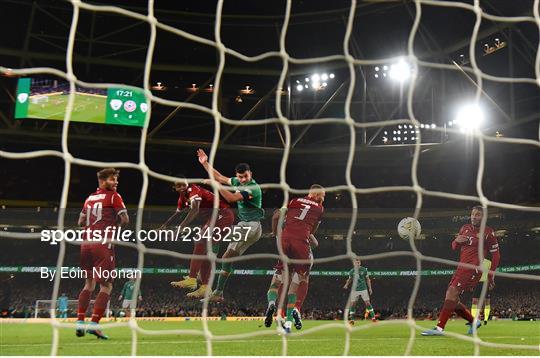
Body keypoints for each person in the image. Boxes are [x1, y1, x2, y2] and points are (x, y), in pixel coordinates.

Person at [197, 149, 264, 301]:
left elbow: (232, 198)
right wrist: (205, 163)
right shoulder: (236, 181)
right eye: (240, 177)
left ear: (250, 174)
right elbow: (219, 176)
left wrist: (215, 185)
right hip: (245, 226)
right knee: (227, 258)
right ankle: (218, 293)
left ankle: (206, 269)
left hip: (251, 227)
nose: (242, 180)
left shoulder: (252, 187)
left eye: (245, 176)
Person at [422, 206, 500, 336]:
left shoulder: (488, 233)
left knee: (451, 294)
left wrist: (491, 276)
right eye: (473, 214)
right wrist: (456, 241)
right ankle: (474, 322)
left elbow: (496, 256)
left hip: (473, 269)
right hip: (461, 267)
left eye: (478, 214)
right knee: (454, 300)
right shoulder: (464, 228)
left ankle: (440, 328)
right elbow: (454, 246)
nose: (474, 216)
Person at [76, 168, 129, 339]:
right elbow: (125, 219)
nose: (116, 183)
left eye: (116, 180)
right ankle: (94, 324)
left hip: (85, 244)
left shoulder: (89, 198)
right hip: (102, 244)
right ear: (103, 180)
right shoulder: (114, 196)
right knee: (106, 285)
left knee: (88, 284)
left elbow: (80, 221)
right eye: (113, 180)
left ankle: (79, 322)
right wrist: (112, 229)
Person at [264, 185, 325, 332]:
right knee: (300, 280)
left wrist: (275, 234)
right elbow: (314, 238)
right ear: (316, 195)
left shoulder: (293, 201)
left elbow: (275, 216)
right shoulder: (319, 208)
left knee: (278, 279)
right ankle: (293, 315)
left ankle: (274, 305)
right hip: (301, 244)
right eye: (323, 196)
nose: (323, 198)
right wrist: (307, 232)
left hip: (284, 240)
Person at [169, 178, 235, 299]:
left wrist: (180, 228)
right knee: (204, 251)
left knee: (200, 239)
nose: (182, 187)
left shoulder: (194, 190)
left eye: (183, 184)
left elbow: (195, 209)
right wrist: (164, 226)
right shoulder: (183, 198)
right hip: (214, 218)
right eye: (178, 186)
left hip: (223, 214)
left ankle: (192, 278)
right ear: (175, 189)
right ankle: (205, 287)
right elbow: (177, 213)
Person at [343, 258, 376, 324]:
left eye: (358, 262)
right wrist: (346, 284)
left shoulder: (364, 270)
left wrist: (370, 288)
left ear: (360, 263)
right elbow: (349, 279)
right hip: (354, 289)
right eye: (356, 263)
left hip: (363, 288)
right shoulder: (351, 271)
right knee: (352, 304)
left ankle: (373, 318)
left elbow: (368, 279)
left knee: (367, 303)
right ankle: (352, 320)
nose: (357, 264)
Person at [471, 258, 493, 325]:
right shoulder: (475, 262)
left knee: (487, 302)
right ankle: (474, 319)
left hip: (486, 283)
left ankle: (486, 319)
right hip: (477, 282)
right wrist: (471, 283)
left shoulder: (489, 262)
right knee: (474, 301)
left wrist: (492, 282)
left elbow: (491, 273)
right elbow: (472, 273)